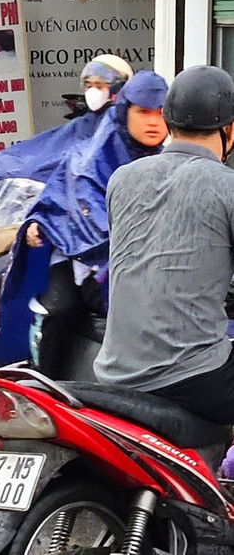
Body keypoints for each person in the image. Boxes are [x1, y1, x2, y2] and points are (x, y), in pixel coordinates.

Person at [0, 70, 168, 369]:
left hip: (146, 272)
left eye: (161, 113)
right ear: (125, 111)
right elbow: (62, 201)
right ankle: (42, 383)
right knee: (57, 312)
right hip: (85, 266)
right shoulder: (89, 159)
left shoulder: (171, 162)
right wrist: (41, 222)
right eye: (144, 112)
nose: (153, 121)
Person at [95, 66, 234, 424]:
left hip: (113, 373)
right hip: (194, 378)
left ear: (169, 123)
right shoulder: (227, 186)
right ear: (229, 129)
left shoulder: (120, 180)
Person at [0, 55, 133, 228]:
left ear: (119, 88)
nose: (93, 91)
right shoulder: (84, 124)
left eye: (99, 86)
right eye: (89, 85)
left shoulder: (118, 128)